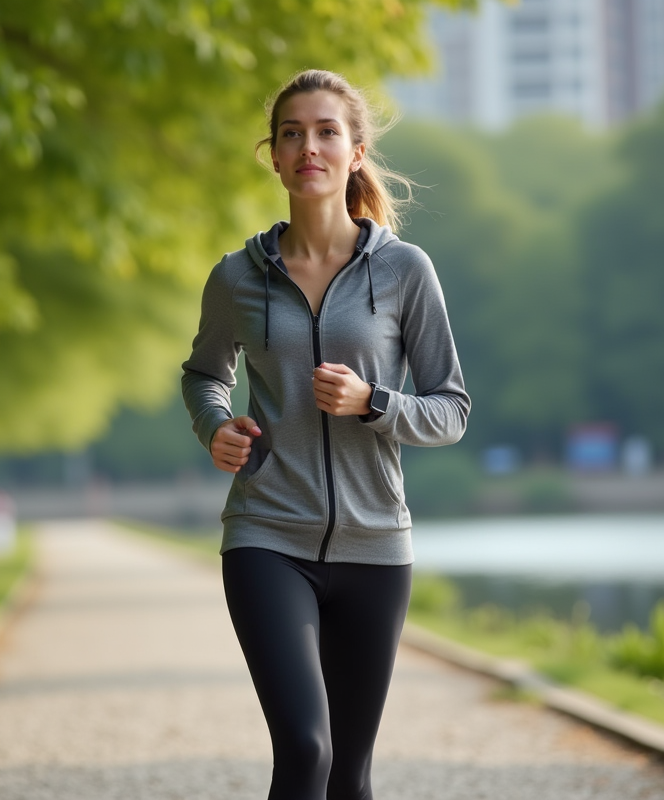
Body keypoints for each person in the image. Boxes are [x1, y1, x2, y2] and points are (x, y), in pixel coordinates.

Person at [181, 69, 470, 800]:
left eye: (325, 131)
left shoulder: (406, 272)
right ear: (273, 157)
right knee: (306, 750)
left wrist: (374, 401)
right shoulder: (236, 277)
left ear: (355, 150)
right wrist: (216, 424)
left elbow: (451, 410)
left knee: (351, 774)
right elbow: (203, 374)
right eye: (291, 134)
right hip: (267, 537)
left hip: (376, 545)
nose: (308, 146)